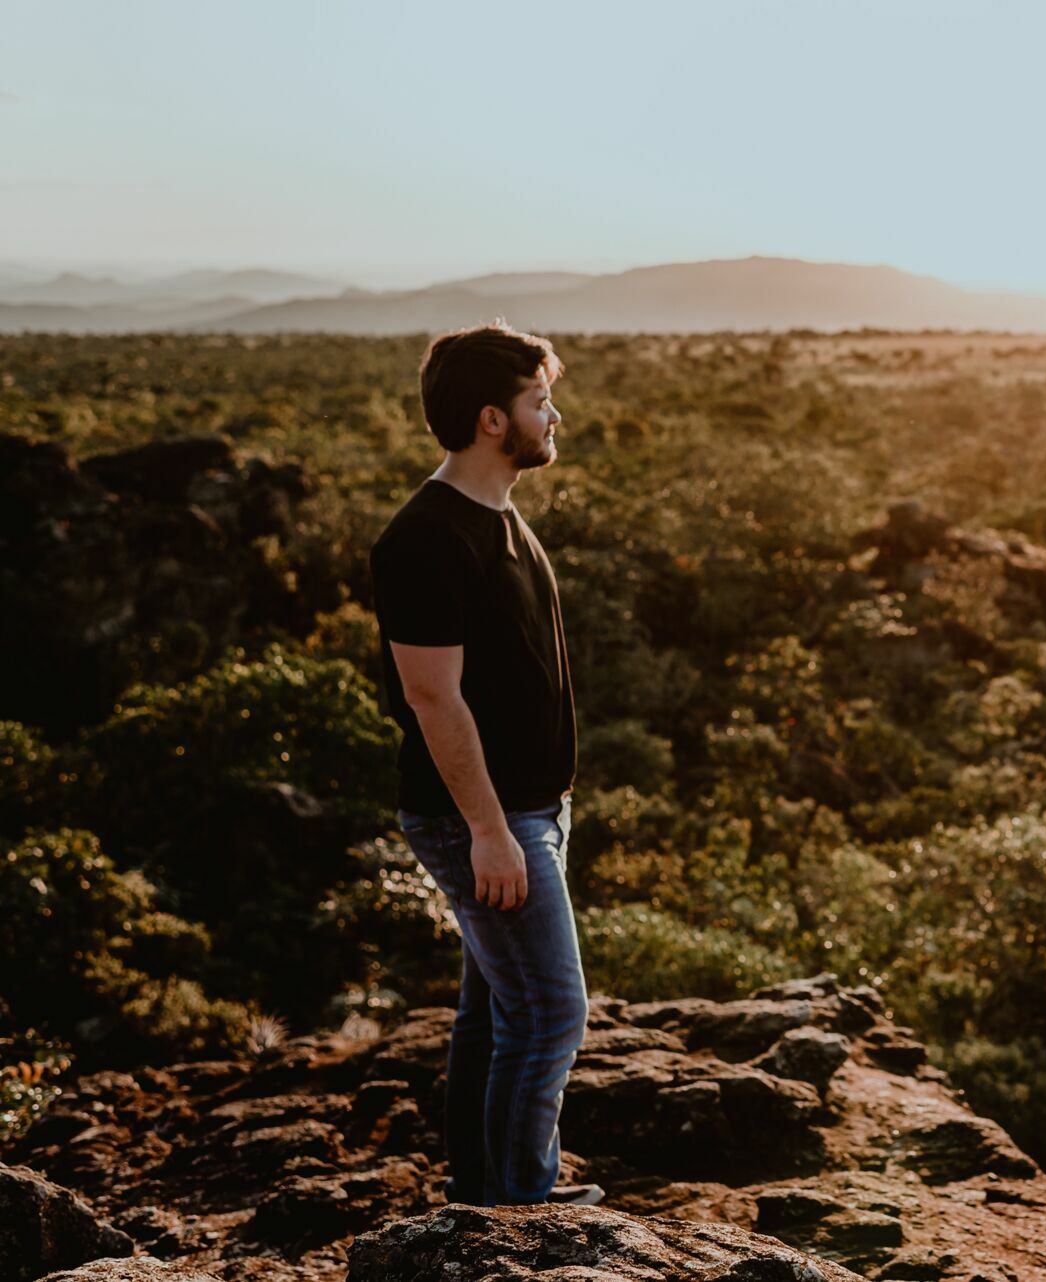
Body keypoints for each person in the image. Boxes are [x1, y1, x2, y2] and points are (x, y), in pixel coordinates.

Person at [368, 320, 602, 1209]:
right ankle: (518, 1211)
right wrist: (491, 833)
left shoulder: (501, 519)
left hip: (528, 814)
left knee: (496, 1014)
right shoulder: (425, 538)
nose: (555, 416)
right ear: (492, 420)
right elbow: (433, 698)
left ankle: (481, 1198)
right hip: (486, 821)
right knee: (550, 1015)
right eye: (540, 402)